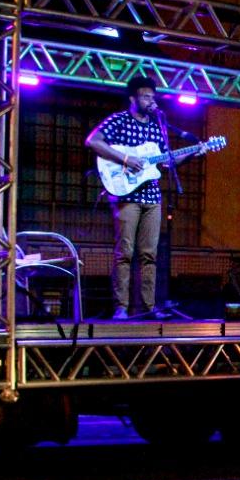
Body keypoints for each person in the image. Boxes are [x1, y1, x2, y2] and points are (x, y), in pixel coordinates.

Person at [86, 76, 190, 320]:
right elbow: (93, 141)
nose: (150, 101)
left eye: (152, 97)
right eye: (145, 96)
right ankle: (121, 307)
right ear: (133, 99)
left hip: (152, 195)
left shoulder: (157, 125)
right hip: (126, 194)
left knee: (149, 254)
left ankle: (148, 307)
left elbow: (165, 161)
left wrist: (195, 151)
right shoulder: (119, 120)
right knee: (125, 252)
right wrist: (125, 159)